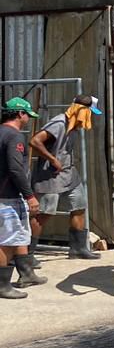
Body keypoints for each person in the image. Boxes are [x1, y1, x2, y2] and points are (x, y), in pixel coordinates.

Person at [29, 94, 104, 260]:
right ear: (82, 111)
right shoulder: (59, 123)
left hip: (68, 173)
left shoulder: (73, 126)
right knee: (44, 213)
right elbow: (35, 141)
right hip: (49, 176)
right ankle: (27, 254)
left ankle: (78, 249)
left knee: (79, 205)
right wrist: (53, 159)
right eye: (89, 113)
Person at [0, 97, 44, 299]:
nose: (28, 119)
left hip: (6, 196)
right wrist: (30, 196)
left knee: (19, 235)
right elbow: (16, 169)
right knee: (6, 241)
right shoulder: (14, 137)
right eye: (27, 115)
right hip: (7, 196)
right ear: (20, 114)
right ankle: (2, 285)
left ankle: (27, 274)